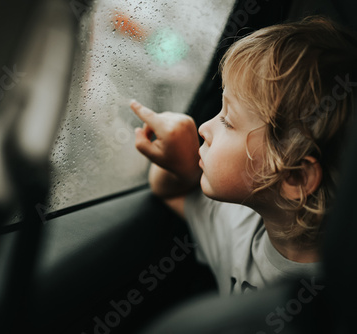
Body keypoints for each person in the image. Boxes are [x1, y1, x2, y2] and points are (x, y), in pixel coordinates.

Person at [130, 16, 357, 294]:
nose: (204, 127)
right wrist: (186, 163)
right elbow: (168, 192)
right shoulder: (237, 225)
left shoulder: (337, 303)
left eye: (228, 121)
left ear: (294, 177)